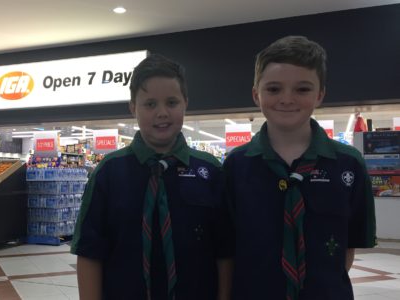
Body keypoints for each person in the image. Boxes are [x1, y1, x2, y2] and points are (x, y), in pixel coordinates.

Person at [223, 36, 377, 300]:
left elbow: (348, 250)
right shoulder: (236, 165)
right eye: (273, 89)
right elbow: (227, 248)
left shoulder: (348, 164)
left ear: (320, 95)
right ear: (255, 94)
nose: (287, 99)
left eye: (302, 89)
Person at [71, 53, 234, 300]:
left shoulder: (210, 171)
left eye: (171, 102)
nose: (162, 113)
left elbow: (224, 251)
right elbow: (90, 252)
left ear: (185, 103)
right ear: (132, 107)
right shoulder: (109, 172)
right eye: (150, 104)